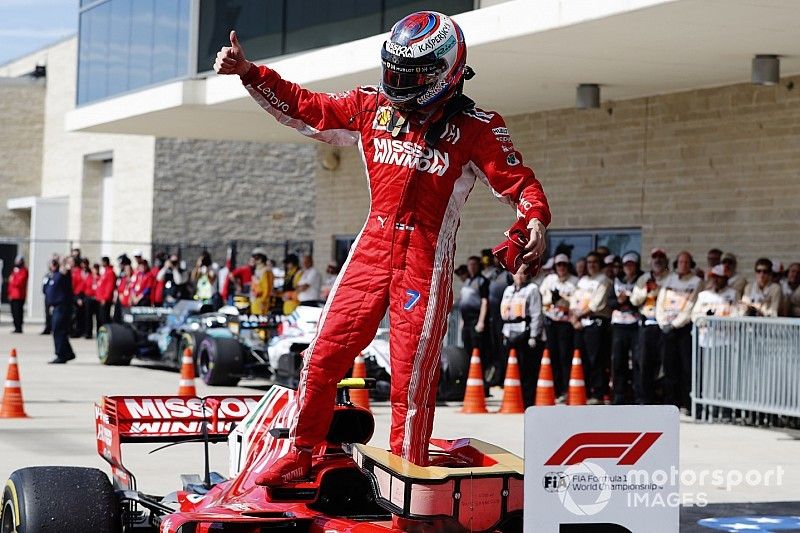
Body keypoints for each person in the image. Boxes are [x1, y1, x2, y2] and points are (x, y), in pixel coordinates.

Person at [214, 10, 550, 491]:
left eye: (409, 75)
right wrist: (251, 73)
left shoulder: (478, 127)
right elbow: (305, 107)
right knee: (320, 358)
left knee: (411, 380)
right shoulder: (371, 106)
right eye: (393, 70)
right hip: (371, 247)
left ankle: (405, 476)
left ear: (444, 71)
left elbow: (520, 184)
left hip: (426, 259)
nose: (396, 81)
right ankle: (301, 453)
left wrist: (533, 219)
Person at [656, 251, 702, 412]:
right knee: (669, 367)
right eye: (681, 262)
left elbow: (691, 305)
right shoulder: (669, 279)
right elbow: (660, 302)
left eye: (687, 262)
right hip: (666, 329)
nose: (683, 265)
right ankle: (670, 402)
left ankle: (686, 403)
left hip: (683, 329)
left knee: (685, 367)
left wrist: (675, 324)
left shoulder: (696, 282)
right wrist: (663, 322)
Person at [570, 252, 612, 404]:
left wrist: (578, 316)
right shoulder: (583, 281)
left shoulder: (604, 281)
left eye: (594, 262)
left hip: (596, 323)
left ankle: (598, 393)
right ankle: (585, 391)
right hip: (580, 325)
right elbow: (574, 301)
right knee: (582, 360)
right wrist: (574, 319)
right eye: (588, 262)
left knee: (596, 360)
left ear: (600, 264)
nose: (591, 265)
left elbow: (597, 304)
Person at [630, 248, 670, 404]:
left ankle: (665, 397)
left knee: (664, 363)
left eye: (661, 257)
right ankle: (645, 398)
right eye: (655, 258)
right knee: (645, 362)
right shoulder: (644, 278)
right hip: (647, 324)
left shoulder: (670, 278)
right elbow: (634, 300)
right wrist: (647, 290)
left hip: (664, 325)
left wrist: (658, 290)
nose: (658, 261)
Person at [500, 269, 544, 408]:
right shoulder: (508, 290)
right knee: (510, 368)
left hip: (524, 332)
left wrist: (534, 336)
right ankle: (511, 400)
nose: (519, 276)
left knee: (526, 370)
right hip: (509, 332)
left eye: (523, 273)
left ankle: (527, 402)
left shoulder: (532, 289)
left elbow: (537, 314)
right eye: (517, 273)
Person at [539, 253, 578, 402]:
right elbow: (543, 296)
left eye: (564, 265)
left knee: (565, 357)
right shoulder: (549, 280)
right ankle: (554, 388)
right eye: (558, 265)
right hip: (551, 322)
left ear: (568, 266)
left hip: (566, 324)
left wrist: (562, 298)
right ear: (555, 267)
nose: (561, 267)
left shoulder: (574, 282)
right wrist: (552, 299)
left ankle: (565, 389)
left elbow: (575, 301)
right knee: (552, 356)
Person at [609, 253, 642, 404]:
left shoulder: (641, 281)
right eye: (626, 264)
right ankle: (619, 396)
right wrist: (620, 301)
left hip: (635, 326)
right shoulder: (616, 281)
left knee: (637, 361)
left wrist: (627, 301)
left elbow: (640, 303)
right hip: (619, 326)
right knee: (618, 362)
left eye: (632, 264)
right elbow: (610, 303)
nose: (629, 267)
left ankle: (638, 396)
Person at [460, 256, 491, 388]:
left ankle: (482, 383)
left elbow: (484, 302)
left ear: (478, 266)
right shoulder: (467, 281)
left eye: (474, 264)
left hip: (476, 320)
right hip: (466, 321)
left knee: (478, 350)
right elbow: (462, 301)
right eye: (469, 264)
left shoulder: (482, 281)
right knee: (467, 350)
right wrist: (462, 321)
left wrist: (481, 321)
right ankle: (470, 379)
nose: (471, 267)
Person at [487, 255, 513, 384]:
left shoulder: (508, 274)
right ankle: (498, 376)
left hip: (504, 317)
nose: (497, 260)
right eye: (495, 258)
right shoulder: (493, 274)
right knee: (495, 348)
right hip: (493, 317)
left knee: (504, 349)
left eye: (500, 258)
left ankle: (505, 376)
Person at [46, 258, 75, 364]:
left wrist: (65, 264)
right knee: (59, 330)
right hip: (56, 306)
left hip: (62, 307)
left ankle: (61, 354)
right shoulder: (55, 274)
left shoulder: (64, 274)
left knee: (58, 330)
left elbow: (66, 269)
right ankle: (68, 352)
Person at [249, 249, 274, 315]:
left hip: (261, 302)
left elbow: (267, 289)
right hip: (255, 300)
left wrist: (263, 301)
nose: (255, 260)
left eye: (257, 258)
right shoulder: (257, 270)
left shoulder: (266, 271)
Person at [7, 256, 28, 334]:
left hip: (19, 295)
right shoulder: (15, 270)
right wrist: (9, 293)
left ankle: (19, 327)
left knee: (18, 312)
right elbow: (10, 283)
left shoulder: (24, 271)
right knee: (14, 312)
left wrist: (13, 279)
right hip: (13, 295)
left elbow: (20, 282)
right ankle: (16, 327)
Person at [96, 257, 116, 326]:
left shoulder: (110, 272)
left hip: (105, 300)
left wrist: (105, 298)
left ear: (105, 262)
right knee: (100, 318)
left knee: (105, 318)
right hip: (100, 299)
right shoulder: (105, 272)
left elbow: (109, 287)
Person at [83, 262, 99, 339]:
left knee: (98, 317)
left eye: (96, 268)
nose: (95, 270)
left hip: (96, 299)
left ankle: (99, 332)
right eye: (94, 268)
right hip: (89, 298)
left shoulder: (100, 277)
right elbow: (85, 287)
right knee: (88, 316)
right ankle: (88, 333)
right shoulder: (89, 277)